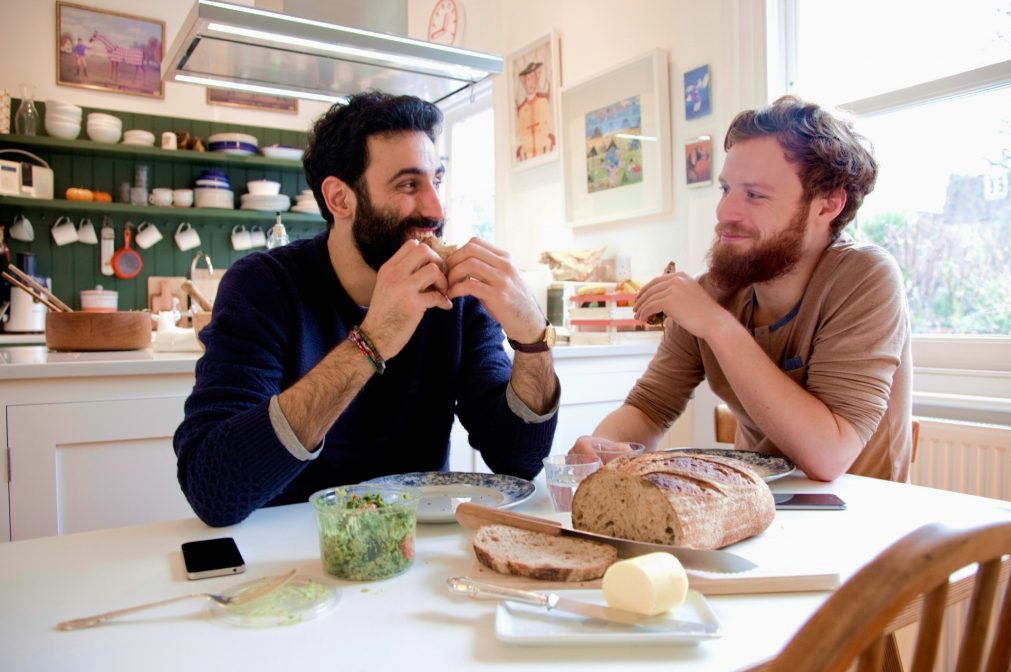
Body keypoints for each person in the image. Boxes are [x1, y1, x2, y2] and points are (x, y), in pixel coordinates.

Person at [175, 92, 559, 527]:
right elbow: (213, 489)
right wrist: (370, 342)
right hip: (292, 556)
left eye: (437, 180)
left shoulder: (457, 298)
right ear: (340, 199)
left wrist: (533, 340)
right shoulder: (262, 287)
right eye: (408, 185)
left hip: (418, 553)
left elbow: (518, 458)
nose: (435, 209)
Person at [574, 95, 912, 482]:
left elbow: (830, 455)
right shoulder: (714, 292)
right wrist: (603, 446)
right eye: (725, 190)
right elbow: (649, 408)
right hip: (755, 509)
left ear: (827, 205)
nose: (724, 213)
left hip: (860, 516)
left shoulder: (866, 277)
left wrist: (717, 326)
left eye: (754, 195)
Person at [515, 61, 555, 161]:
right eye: (528, 79)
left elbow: (549, 127)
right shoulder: (522, 109)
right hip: (527, 157)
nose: (530, 83)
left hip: (545, 153)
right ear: (525, 82)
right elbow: (520, 135)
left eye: (533, 78)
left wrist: (549, 142)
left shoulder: (543, 101)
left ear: (537, 80)